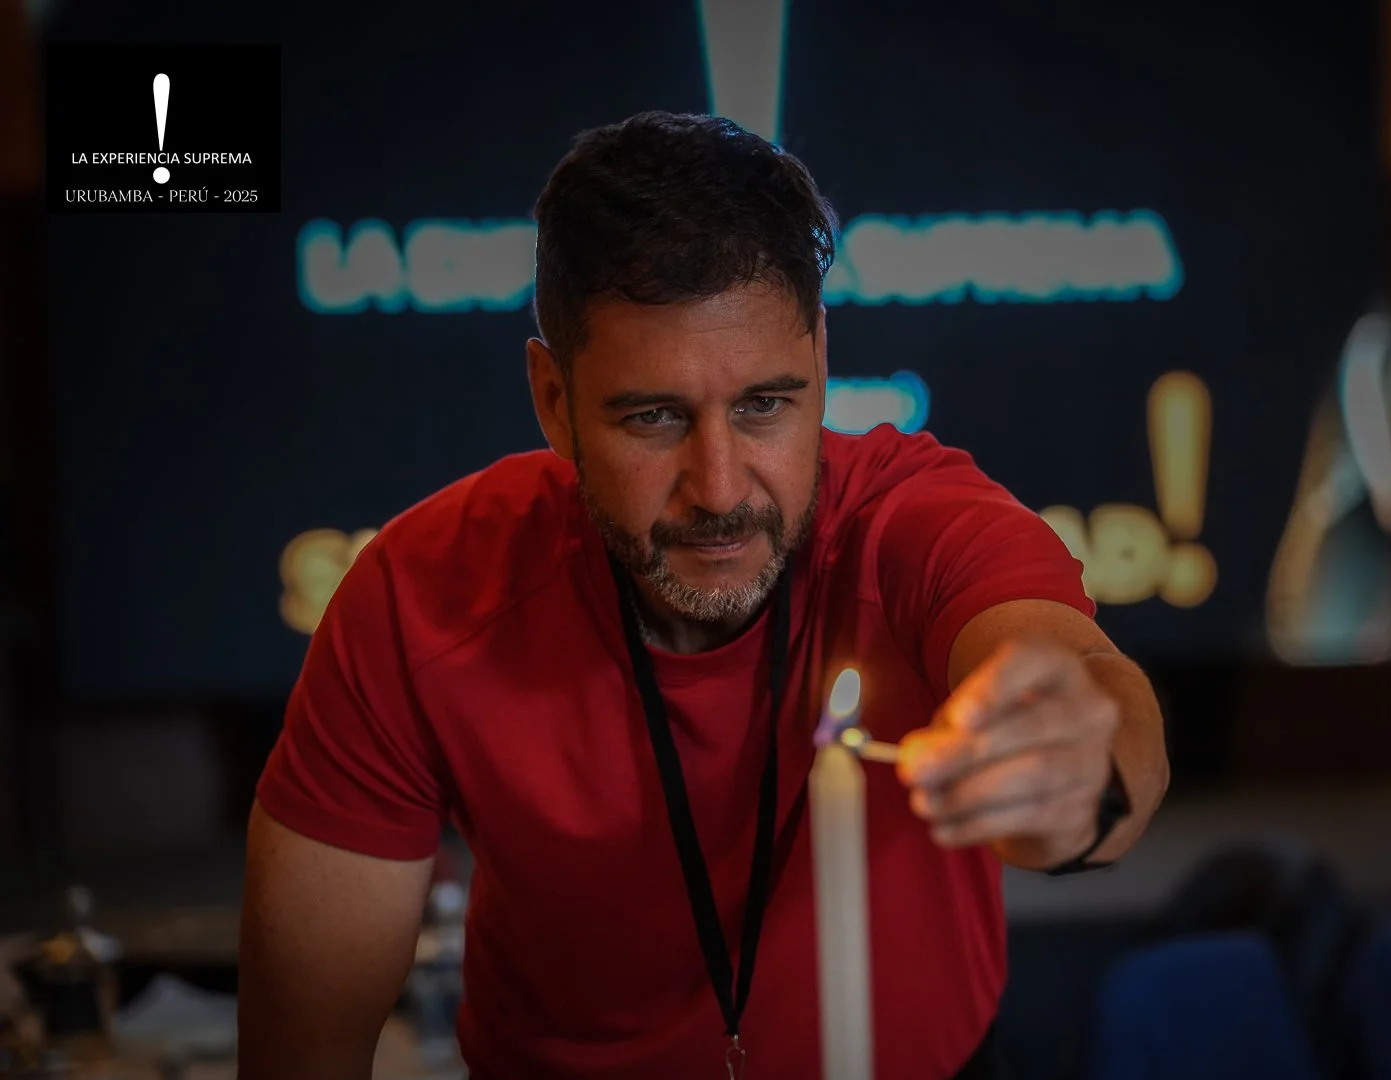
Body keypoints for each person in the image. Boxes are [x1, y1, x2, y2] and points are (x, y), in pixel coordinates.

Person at [237, 110, 1170, 1080]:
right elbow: (300, 1051)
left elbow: (1083, 682)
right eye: (653, 417)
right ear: (552, 400)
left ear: (820, 358)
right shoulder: (419, 595)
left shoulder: (917, 523)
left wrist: (1080, 769)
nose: (720, 488)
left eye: (766, 404)